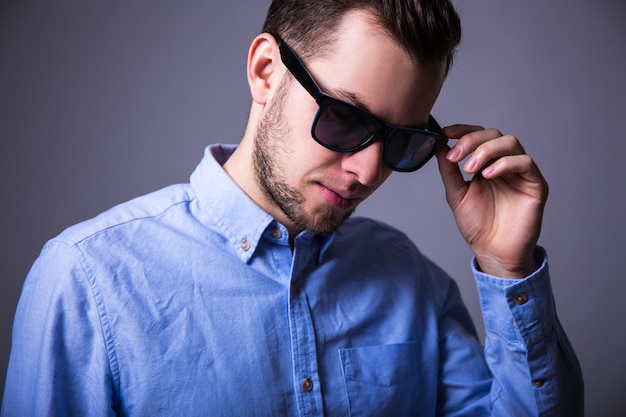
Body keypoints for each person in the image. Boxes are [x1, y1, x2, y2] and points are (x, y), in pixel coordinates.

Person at [1, 0, 583, 416]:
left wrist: (508, 265)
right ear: (265, 72)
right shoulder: (87, 280)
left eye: (404, 141)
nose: (370, 171)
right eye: (347, 119)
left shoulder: (409, 279)